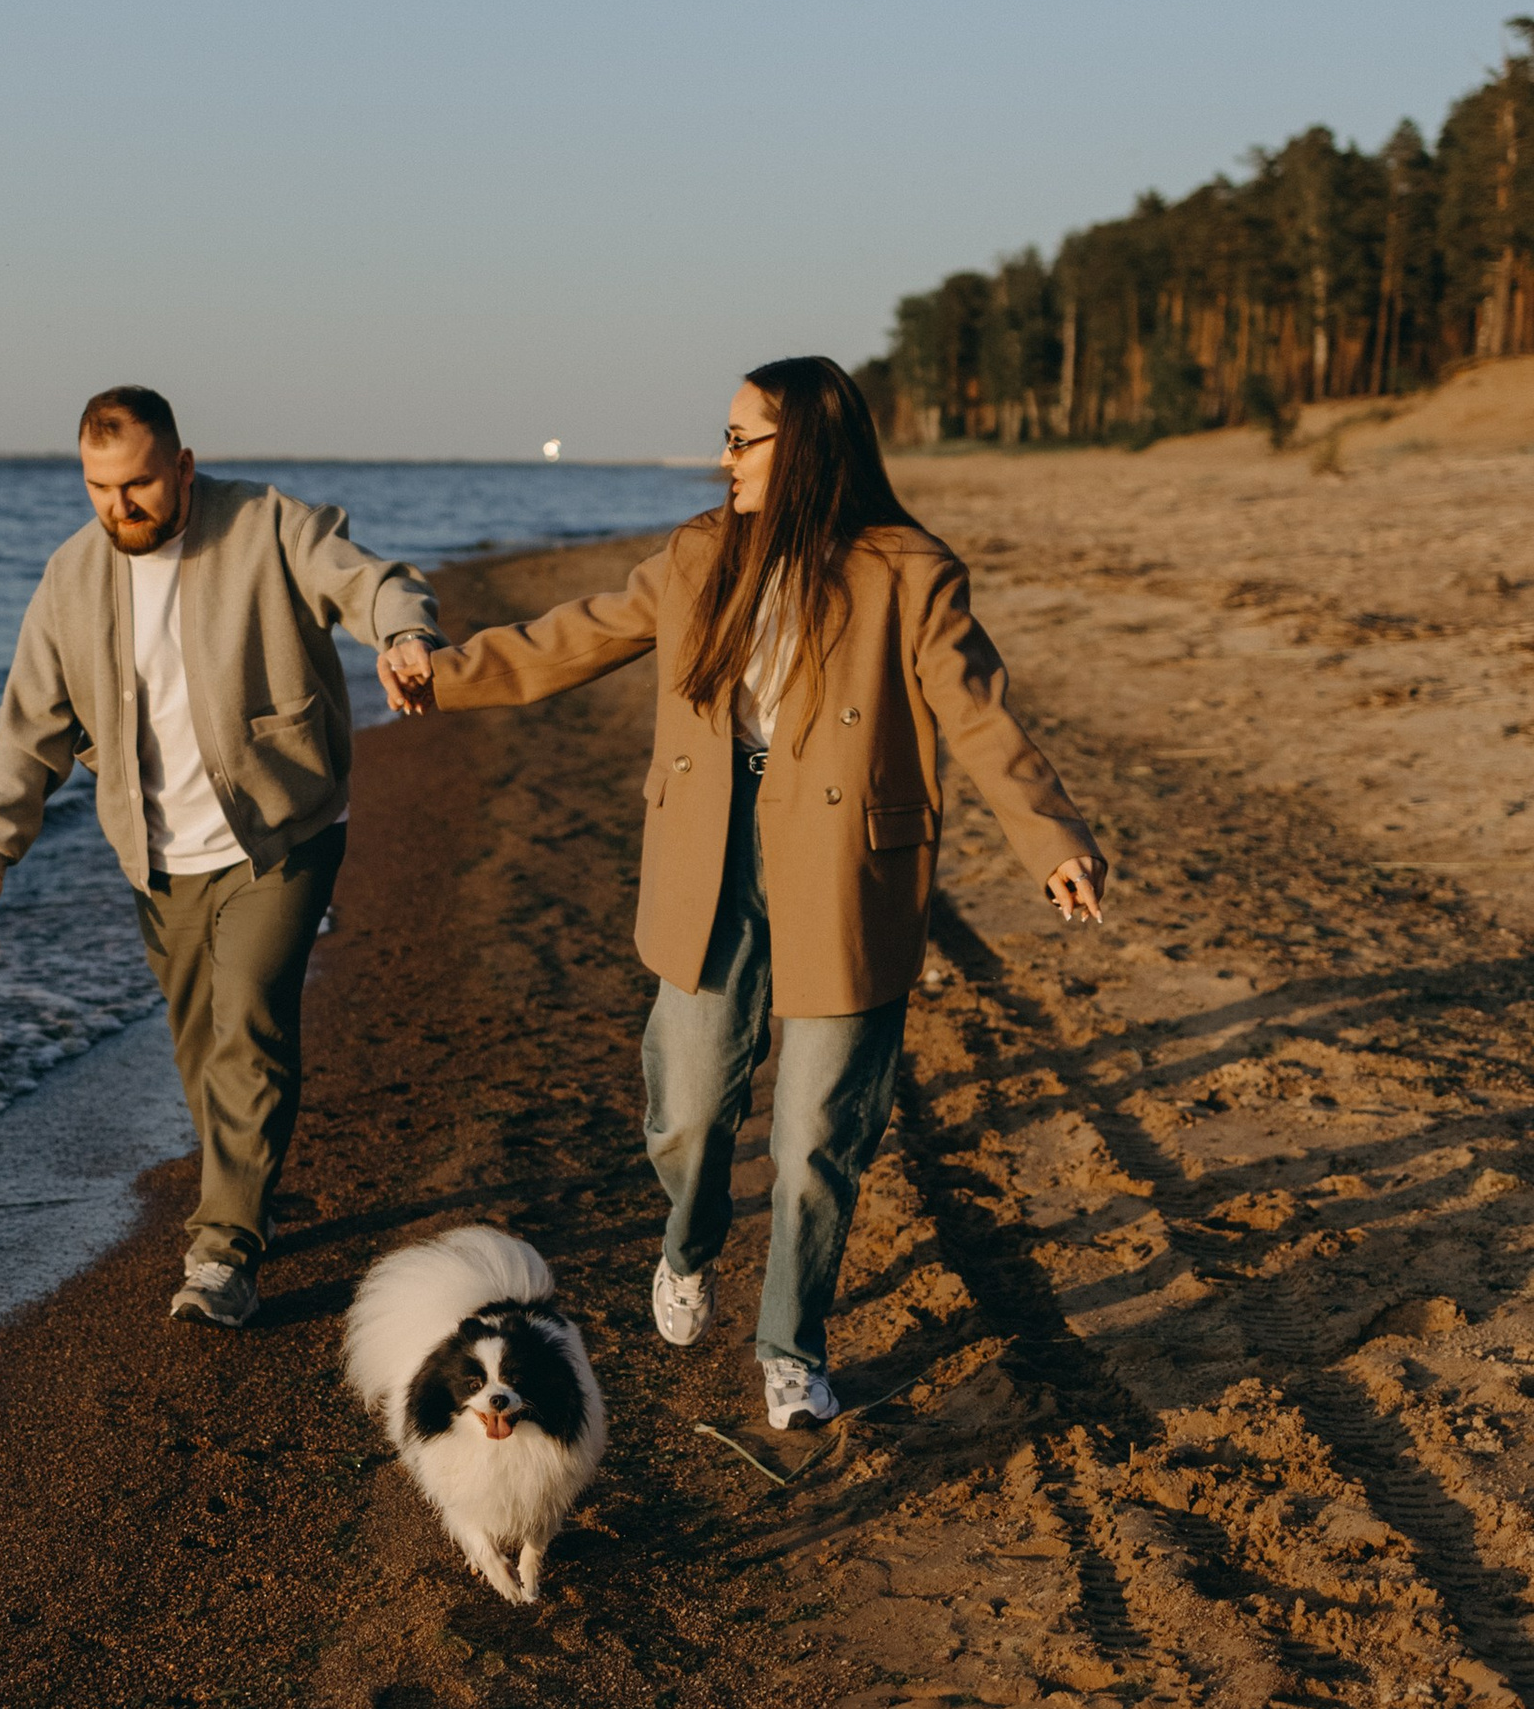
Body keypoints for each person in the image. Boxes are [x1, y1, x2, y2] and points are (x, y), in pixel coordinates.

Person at [381, 357, 1105, 1431]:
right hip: (708, 845)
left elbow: (977, 710)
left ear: (804, 446)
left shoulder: (909, 571)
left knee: (818, 1137)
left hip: (845, 864)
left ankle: (792, 1350)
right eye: (727, 437)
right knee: (684, 1110)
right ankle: (689, 1241)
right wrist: (442, 671)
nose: (723, 457)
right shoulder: (700, 554)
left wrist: (1050, 837)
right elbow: (580, 632)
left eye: (741, 438)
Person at [0, 386, 440, 1330]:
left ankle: (224, 1252)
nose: (120, 506)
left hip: (283, 832)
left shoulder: (267, 526)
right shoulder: (71, 576)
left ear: (182, 466)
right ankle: (246, 1195)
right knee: (202, 1052)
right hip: (158, 859)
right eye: (99, 487)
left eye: (138, 483)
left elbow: (371, 581)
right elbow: (29, 732)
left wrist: (406, 633)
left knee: (249, 1021)